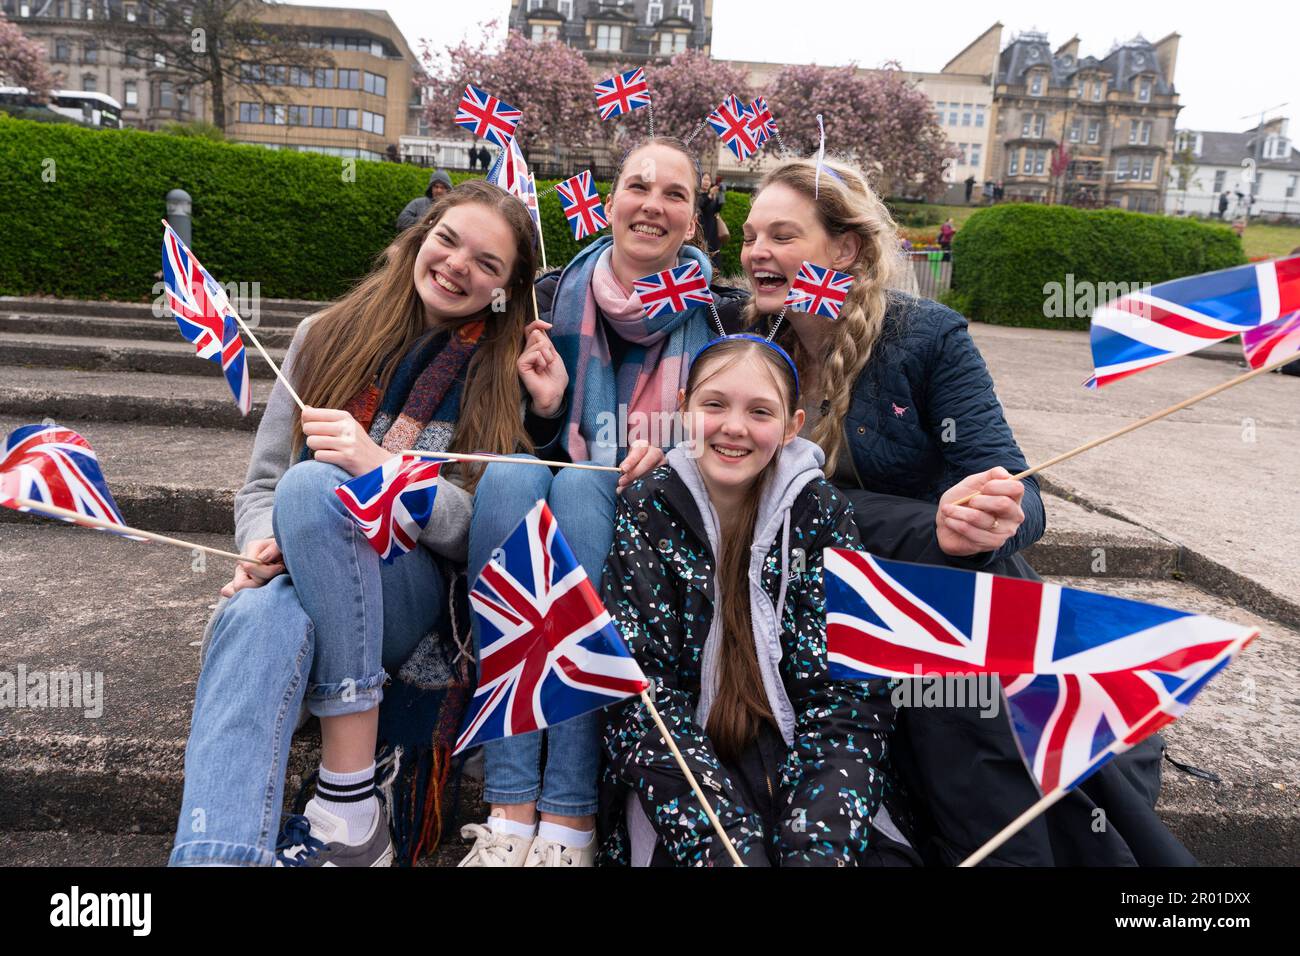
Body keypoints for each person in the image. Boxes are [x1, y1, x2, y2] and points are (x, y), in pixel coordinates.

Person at [724, 156, 1192, 866]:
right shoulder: (740, 335)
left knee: (961, 595)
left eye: (782, 236)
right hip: (801, 593)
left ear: (844, 249)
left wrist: (998, 513)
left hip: (928, 598)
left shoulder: (926, 335)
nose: (757, 251)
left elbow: (1020, 489)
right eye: (751, 235)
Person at [169, 180, 554, 867]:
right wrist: (264, 546)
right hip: (308, 568)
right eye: (448, 240)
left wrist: (385, 472)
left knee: (318, 484)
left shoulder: (505, 368)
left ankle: (346, 797)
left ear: (508, 286)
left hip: (413, 603)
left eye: (488, 264)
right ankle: (221, 855)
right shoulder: (325, 336)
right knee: (259, 614)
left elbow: (477, 532)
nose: (459, 265)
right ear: (420, 237)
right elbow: (262, 485)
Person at [456, 136, 745, 867]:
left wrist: (683, 455)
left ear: (694, 219)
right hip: (549, 513)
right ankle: (511, 806)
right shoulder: (552, 294)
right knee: (517, 473)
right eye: (637, 187)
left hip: (651, 523)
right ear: (609, 202)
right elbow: (519, 435)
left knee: (584, 484)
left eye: (675, 194)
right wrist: (548, 408)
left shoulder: (721, 315)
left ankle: (570, 813)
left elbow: (742, 433)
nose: (653, 204)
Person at [600, 335, 901, 866]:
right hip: (687, 780)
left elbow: (849, 699)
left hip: (806, 764)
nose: (734, 427)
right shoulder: (648, 510)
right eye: (714, 404)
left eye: (760, 411)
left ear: (791, 426)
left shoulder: (821, 514)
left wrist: (817, 848)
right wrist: (723, 844)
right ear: (683, 410)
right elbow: (640, 701)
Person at [698, 171, 726, 268]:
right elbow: (701, 206)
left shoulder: (712, 196)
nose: (706, 182)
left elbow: (718, 208)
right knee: (701, 254)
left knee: (714, 255)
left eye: (708, 180)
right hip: (701, 229)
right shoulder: (697, 195)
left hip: (712, 230)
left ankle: (714, 277)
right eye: (704, 179)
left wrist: (722, 193)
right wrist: (710, 195)